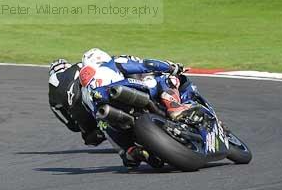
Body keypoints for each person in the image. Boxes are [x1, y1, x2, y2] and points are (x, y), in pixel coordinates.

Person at [48, 48, 197, 167]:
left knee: (113, 136)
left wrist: (90, 132)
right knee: (164, 78)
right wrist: (172, 67)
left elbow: (71, 123)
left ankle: (131, 151)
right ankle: (173, 106)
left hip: (103, 114)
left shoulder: (82, 90)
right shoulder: (111, 62)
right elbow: (146, 65)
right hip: (122, 91)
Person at [48, 58, 105, 146]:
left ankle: (102, 132)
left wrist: (74, 125)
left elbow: (65, 118)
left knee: (88, 138)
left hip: (81, 106)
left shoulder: (53, 86)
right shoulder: (79, 65)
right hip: (100, 92)